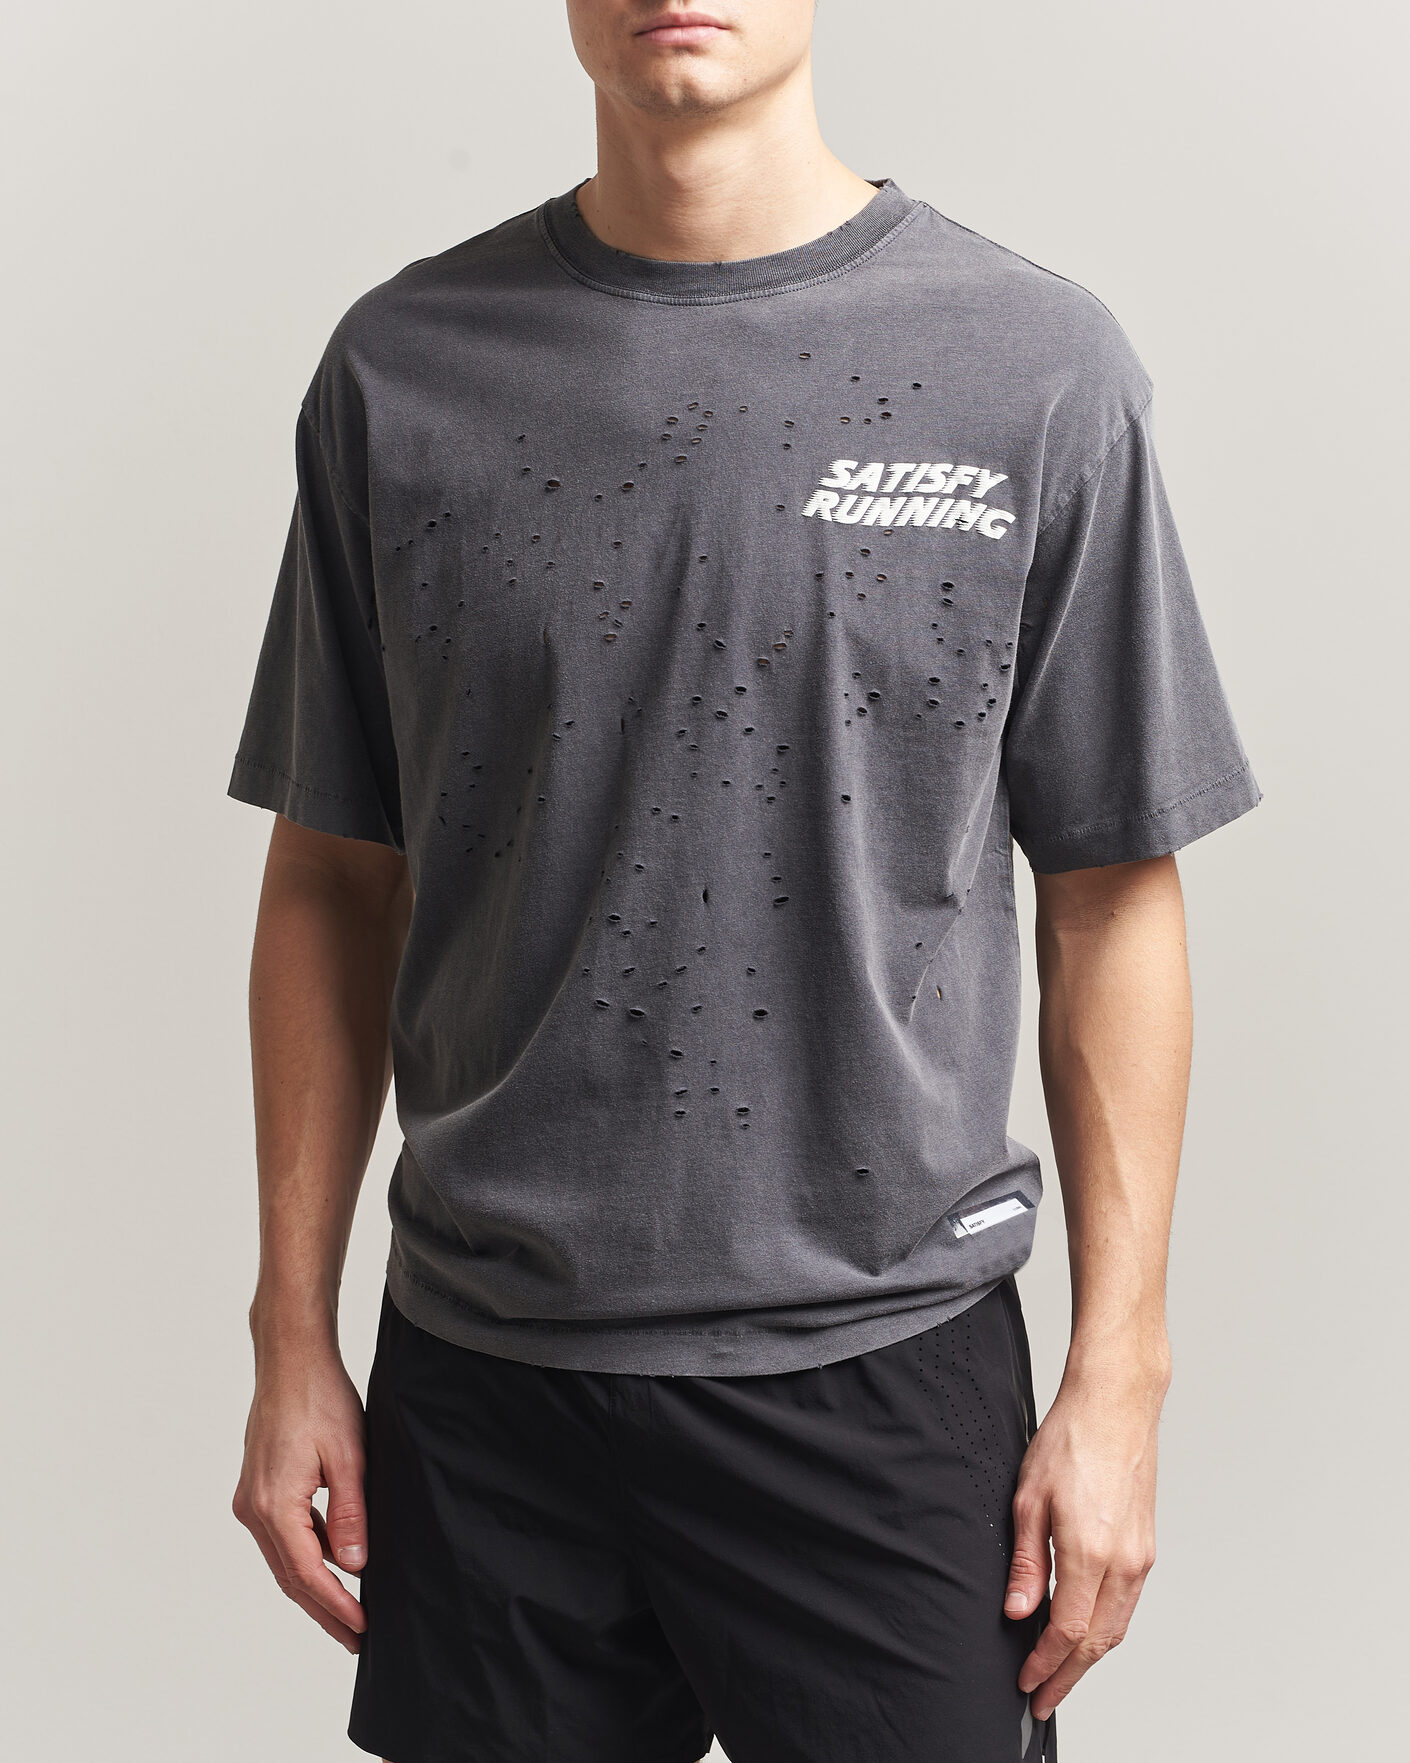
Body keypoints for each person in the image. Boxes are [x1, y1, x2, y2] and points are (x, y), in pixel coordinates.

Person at [226, 4, 1261, 1760]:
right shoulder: (402, 369)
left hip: (884, 1372)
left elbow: (1109, 892)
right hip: (488, 1383)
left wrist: (1120, 1375)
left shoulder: (1029, 367)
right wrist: (288, 1337)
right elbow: (331, 875)